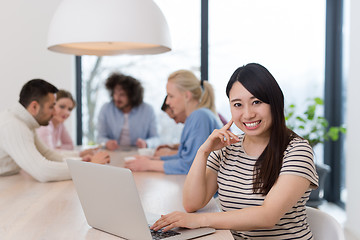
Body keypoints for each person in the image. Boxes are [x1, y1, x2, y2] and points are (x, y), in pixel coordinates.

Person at [151, 63, 319, 239]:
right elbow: (192, 203)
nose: (247, 114)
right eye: (238, 105)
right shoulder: (227, 148)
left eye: (256, 102)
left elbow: (268, 216)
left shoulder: (297, 151)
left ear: (274, 102)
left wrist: (198, 220)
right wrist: (203, 152)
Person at [0, 79, 110, 182]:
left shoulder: (27, 123)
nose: (54, 112)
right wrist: (89, 167)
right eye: (51, 107)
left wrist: (81, 162)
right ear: (34, 107)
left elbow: (48, 154)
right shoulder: (13, 125)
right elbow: (42, 170)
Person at [124, 70, 222, 174]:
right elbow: (184, 158)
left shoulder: (200, 117)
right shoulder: (197, 117)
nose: (167, 102)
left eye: (171, 96)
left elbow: (191, 165)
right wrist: (153, 159)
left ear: (187, 96)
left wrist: (148, 164)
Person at [97, 73, 158, 150]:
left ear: (132, 96)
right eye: (115, 93)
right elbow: (100, 137)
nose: (117, 98)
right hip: (113, 153)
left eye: (122, 95)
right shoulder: (106, 109)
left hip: (139, 155)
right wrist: (106, 142)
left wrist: (146, 143)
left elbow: (156, 138)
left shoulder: (148, 110)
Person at [37, 89, 97, 157]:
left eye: (69, 109)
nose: (66, 112)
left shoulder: (60, 125)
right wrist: (79, 154)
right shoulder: (45, 125)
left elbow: (70, 145)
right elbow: (49, 154)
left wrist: (57, 149)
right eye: (62, 106)